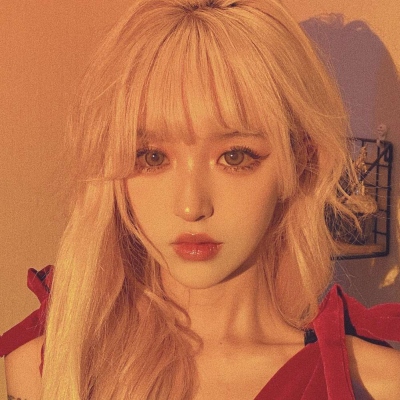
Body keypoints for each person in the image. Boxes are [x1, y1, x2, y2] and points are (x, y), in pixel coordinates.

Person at [1, 0, 400, 399]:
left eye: (235, 157)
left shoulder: (377, 383)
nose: (191, 207)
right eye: (152, 157)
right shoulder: (49, 365)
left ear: (301, 164)